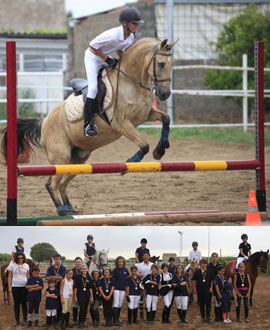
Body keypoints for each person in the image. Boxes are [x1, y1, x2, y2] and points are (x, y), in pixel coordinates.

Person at [83, 6, 143, 136]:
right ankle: (88, 125)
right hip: (93, 57)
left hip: (105, 57)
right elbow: (92, 45)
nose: (136, 26)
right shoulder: (113, 35)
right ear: (124, 23)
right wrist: (106, 59)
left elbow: (121, 50)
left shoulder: (131, 37)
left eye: (137, 23)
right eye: (134, 23)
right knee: (93, 88)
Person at [8, 252, 29, 327]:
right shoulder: (12, 265)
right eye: (19, 258)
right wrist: (9, 287)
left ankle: (24, 320)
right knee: (16, 304)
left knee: (24, 304)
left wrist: (29, 286)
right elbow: (10, 277)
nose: (20, 259)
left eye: (22, 258)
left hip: (24, 287)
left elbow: (28, 277)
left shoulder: (26, 265)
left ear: (24, 258)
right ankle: (17, 320)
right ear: (16, 258)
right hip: (15, 287)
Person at [46, 254, 66, 326]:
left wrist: (52, 277)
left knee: (59, 305)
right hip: (51, 287)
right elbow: (47, 277)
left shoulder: (63, 268)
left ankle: (58, 320)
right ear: (54, 259)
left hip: (60, 287)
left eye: (59, 259)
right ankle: (50, 320)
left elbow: (62, 278)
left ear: (60, 260)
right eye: (56, 259)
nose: (57, 260)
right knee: (51, 303)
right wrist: (57, 277)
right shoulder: (50, 268)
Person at [192, 259, 213, 323]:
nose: (204, 265)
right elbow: (193, 280)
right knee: (201, 304)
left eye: (205, 263)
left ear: (207, 264)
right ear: (200, 264)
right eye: (202, 263)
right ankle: (203, 317)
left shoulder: (210, 271)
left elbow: (212, 280)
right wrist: (194, 289)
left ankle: (208, 317)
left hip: (208, 290)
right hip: (200, 290)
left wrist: (211, 287)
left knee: (208, 304)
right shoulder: (197, 271)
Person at [74, 264, 93, 328]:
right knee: (82, 309)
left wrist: (91, 296)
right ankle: (80, 322)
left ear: (87, 269)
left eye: (85, 269)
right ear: (81, 270)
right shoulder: (78, 277)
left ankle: (84, 321)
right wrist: (75, 296)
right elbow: (76, 288)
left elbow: (90, 288)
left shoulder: (89, 278)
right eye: (83, 269)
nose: (84, 270)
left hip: (87, 296)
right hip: (80, 295)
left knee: (85, 309)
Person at [112, 256, 129, 326]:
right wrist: (115, 286)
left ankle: (117, 319)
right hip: (116, 289)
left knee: (120, 304)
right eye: (119, 262)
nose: (120, 263)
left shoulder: (125, 270)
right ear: (117, 262)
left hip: (123, 289)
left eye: (122, 262)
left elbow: (128, 279)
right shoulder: (115, 270)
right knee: (116, 303)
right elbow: (112, 280)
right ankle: (114, 320)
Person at [136, 252, 153, 320]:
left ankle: (149, 315)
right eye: (144, 256)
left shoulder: (152, 265)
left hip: (150, 284)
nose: (146, 257)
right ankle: (141, 315)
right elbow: (135, 274)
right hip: (142, 284)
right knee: (141, 300)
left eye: (147, 256)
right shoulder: (139, 265)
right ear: (142, 257)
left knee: (149, 300)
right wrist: (138, 275)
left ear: (149, 257)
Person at [208, 252, 222, 322]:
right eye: (213, 256)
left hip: (218, 284)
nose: (214, 258)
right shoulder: (208, 265)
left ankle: (218, 316)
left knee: (218, 299)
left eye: (216, 256)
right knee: (209, 300)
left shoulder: (220, 265)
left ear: (217, 258)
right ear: (211, 257)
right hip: (210, 284)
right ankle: (208, 316)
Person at [71, 257, 82, 326]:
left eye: (79, 262)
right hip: (74, 290)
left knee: (82, 306)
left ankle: (81, 320)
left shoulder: (84, 270)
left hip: (82, 291)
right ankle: (74, 319)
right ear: (75, 263)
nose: (78, 263)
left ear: (81, 262)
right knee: (75, 305)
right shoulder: (72, 270)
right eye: (77, 262)